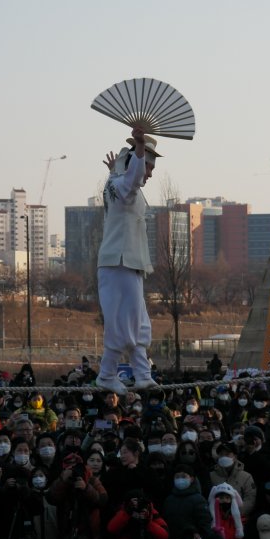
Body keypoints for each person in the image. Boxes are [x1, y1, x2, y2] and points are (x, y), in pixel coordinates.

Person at [96, 127, 161, 394]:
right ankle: (108, 374)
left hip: (126, 261)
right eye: (148, 166)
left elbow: (124, 181)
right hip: (120, 260)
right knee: (127, 322)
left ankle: (141, 374)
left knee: (136, 321)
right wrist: (140, 146)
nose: (150, 173)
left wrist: (115, 169)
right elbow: (131, 181)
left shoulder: (116, 182)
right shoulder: (126, 186)